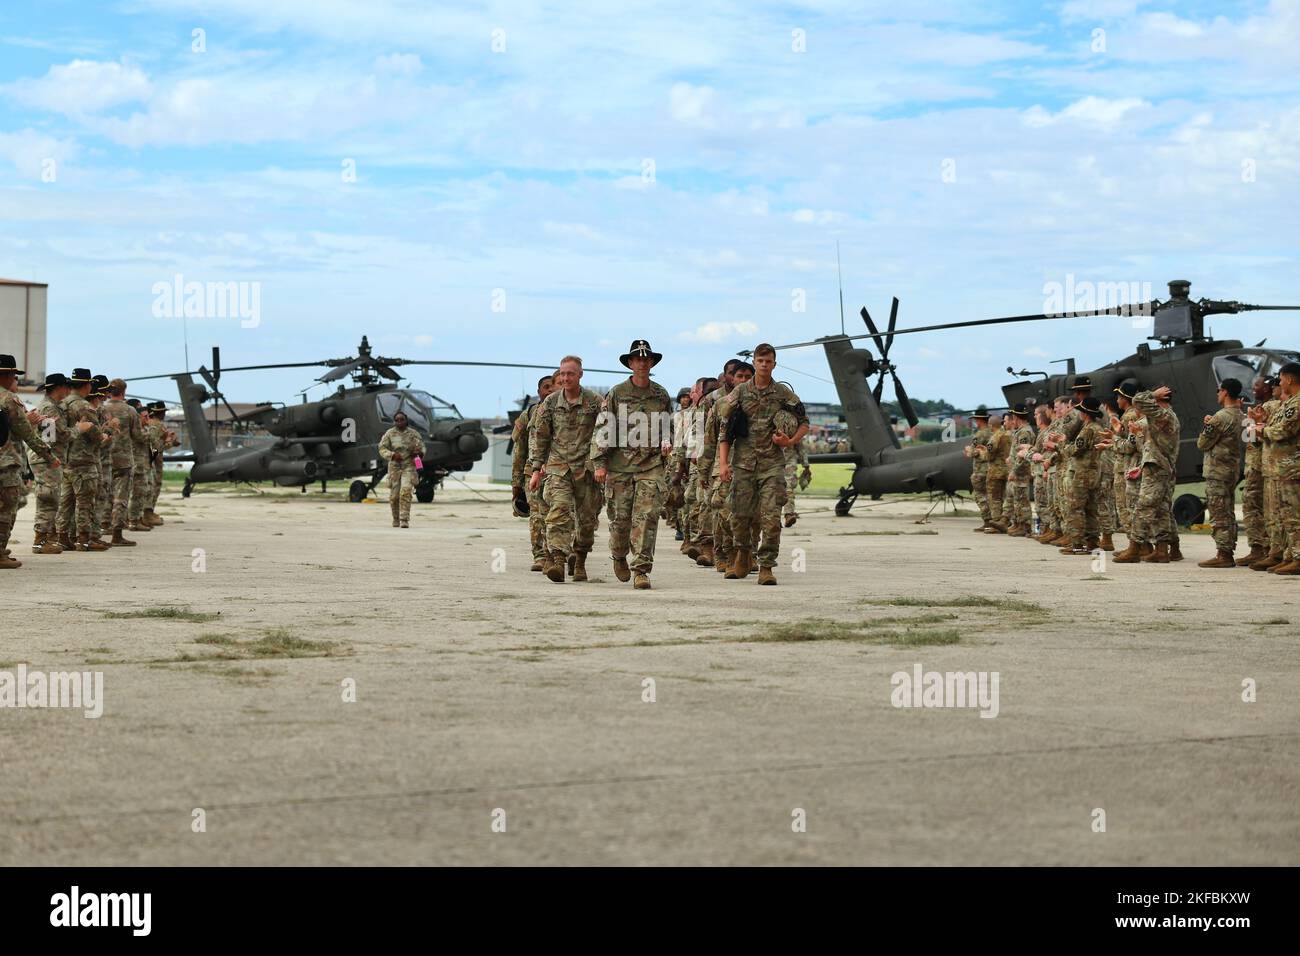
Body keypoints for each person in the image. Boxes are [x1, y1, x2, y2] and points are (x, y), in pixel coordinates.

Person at [716, 343, 809, 585]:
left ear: (774, 364)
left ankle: (766, 565)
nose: (764, 365)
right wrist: (723, 464)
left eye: (768, 361)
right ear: (755, 362)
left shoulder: (782, 394)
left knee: (770, 517)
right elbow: (725, 431)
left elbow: (804, 422)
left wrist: (789, 441)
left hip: (771, 465)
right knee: (738, 515)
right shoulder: (740, 392)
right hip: (743, 465)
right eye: (760, 361)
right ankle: (743, 555)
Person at [592, 339, 673, 590]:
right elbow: (604, 428)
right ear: (630, 363)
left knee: (647, 518)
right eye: (637, 359)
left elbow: (668, 424)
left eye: (646, 359)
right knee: (620, 521)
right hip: (620, 467)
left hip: (650, 466)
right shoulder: (617, 393)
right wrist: (600, 463)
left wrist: (667, 441)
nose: (642, 363)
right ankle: (618, 555)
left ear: (651, 363)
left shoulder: (660, 394)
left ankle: (641, 569)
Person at [528, 356, 602, 583]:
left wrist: (602, 465)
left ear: (580, 375)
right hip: (558, 468)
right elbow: (540, 437)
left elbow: (605, 434)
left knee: (587, 520)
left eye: (571, 373)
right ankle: (558, 560)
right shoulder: (550, 403)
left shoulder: (595, 402)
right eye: (562, 374)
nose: (566, 378)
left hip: (586, 469)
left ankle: (579, 559)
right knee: (558, 511)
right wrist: (536, 469)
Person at [0, 354, 59, 568]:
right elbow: (27, 435)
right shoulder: (9, 399)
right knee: (7, 510)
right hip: (5, 464)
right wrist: (49, 456)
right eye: (14, 376)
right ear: (7, 375)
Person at [699, 365, 751, 575]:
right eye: (739, 376)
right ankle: (724, 555)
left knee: (749, 517)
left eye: (748, 377)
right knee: (723, 513)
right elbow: (710, 440)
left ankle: (746, 555)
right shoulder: (720, 404)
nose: (743, 380)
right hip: (724, 467)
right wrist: (703, 471)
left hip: (750, 467)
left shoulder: (760, 403)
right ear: (730, 378)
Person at [1125, 385, 1180, 564]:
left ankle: (1134, 548)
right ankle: (1162, 550)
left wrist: (1151, 394)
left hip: (1156, 467)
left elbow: (1137, 401)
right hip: (1160, 467)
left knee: (1144, 507)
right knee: (1161, 511)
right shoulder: (1166, 416)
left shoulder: (1163, 415)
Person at [56, 369, 108, 551]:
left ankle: (62, 536)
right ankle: (84, 540)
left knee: (66, 502)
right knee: (85, 502)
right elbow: (97, 435)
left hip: (65, 460)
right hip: (84, 461)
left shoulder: (61, 404)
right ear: (87, 385)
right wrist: (106, 433)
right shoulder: (83, 406)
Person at [1196, 378, 1245, 568]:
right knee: (1228, 511)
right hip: (1232, 470)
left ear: (1225, 392)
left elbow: (1202, 443)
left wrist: (1208, 424)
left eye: (1219, 390)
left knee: (1218, 512)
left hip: (1217, 471)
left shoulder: (1219, 417)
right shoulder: (1242, 416)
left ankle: (1223, 554)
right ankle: (1228, 549)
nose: (1217, 394)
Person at [511, 374, 555, 570]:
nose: (550, 390)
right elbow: (519, 452)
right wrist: (516, 484)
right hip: (532, 473)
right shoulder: (529, 414)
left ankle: (556, 553)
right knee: (537, 517)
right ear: (539, 392)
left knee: (558, 515)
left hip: (557, 473)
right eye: (546, 387)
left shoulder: (564, 411)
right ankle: (539, 556)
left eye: (553, 386)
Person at [1260, 363, 1300, 575]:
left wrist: (1262, 430)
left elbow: (1284, 430)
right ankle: (1291, 555)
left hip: (1292, 467)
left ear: (1290, 379)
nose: (1280, 382)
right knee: (1286, 515)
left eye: (1281, 378)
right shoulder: (1290, 403)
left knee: (1293, 514)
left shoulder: (1297, 404)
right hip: (1283, 468)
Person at [1055, 396, 1106, 554]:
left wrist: (1062, 441)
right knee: (1090, 509)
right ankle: (1092, 541)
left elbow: (1074, 451)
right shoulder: (1097, 428)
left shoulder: (1088, 429)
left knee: (1075, 508)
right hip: (1093, 473)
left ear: (1085, 414)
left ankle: (1077, 544)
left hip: (1081, 474)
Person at [29, 372, 71, 554]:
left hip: (49, 458)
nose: (69, 390)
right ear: (59, 387)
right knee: (48, 498)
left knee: (52, 498)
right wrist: (79, 429)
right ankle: (40, 541)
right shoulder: (49, 408)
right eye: (66, 386)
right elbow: (52, 438)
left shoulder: (54, 406)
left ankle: (48, 536)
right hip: (46, 459)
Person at [1238, 376, 1274, 566]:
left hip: (1259, 464)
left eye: (1257, 386)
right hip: (1257, 463)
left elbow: (1250, 437)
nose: (1253, 389)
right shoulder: (1264, 406)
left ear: (1267, 388)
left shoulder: (1268, 408)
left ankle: (1260, 549)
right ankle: (1262, 548)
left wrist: (1250, 420)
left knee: (1254, 506)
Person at [378, 411, 426, 528]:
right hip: (394, 466)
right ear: (394, 421)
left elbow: (422, 448)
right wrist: (392, 455)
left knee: (405, 491)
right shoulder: (389, 434)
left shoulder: (413, 434)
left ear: (406, 420)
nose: (399, 422)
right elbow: (382, 448)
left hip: (408, 466)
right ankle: (396, 518)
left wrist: (419, 453)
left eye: (402, 419)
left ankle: (404, 519)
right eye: (397, 420)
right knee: (394, 496)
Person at [1004, 404, 1035, 536]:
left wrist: (1014, 471)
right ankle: (1018, 523)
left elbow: (1022, 456)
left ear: (1016, 417)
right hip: (1017, 471)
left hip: (1021, 472)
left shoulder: (1024, 432)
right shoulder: (1021, 431)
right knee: (1017, 499)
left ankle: (1025, 526)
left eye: (1013, 417)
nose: (1012, 420)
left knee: (1022, 500)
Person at [966, 408, 992, 531]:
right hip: (991, 469)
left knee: (980, 496)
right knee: (992, 496)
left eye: (976, 419)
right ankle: (995, 520)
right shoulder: (993, 432)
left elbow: (974, 452)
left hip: (981, 470)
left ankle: (987, 521)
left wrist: (969, 451)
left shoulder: (980, 435)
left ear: (979, 420)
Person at [984, 414, 1010, 532]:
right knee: (1006, 497)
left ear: (991, 425)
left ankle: (996, 523)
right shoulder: (1009, 434)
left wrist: (981, 452)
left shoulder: (994, 437)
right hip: (1008, 470)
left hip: (996, 471)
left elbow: (989, 456)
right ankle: (1006, 521)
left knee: (994, 498)